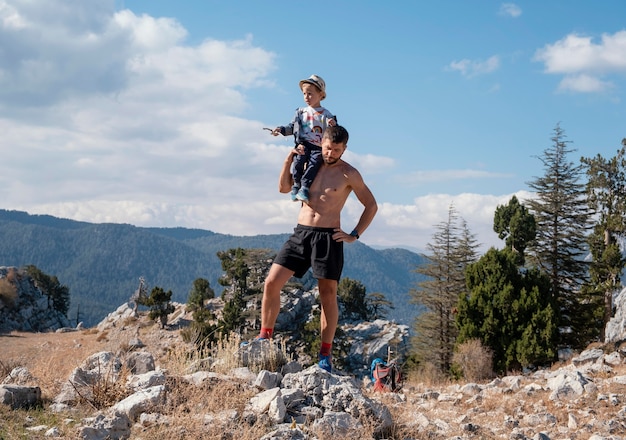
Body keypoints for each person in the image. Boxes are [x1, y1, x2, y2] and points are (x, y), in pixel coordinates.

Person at [257, 125, 377, 372]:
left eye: (336, 149)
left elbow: (371, 205)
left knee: (327, 296)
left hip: (328, 238)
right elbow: (283, 188)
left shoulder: (348, 174)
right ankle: (264, 337)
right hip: (301, 233)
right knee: (271, 283)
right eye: (327, 147)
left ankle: (325, 355)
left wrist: (354, 234)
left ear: (344, 149)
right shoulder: (308, 162)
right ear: (320, 143)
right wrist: (288, 160)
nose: (330, 153)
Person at [270, 74, 336, 203]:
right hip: (303, 143)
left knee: (314, 163)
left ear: (321, 94)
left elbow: (333, 131)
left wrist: (333, 125)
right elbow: (292, 127)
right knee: (299, 161)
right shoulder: (301, 112)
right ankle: (296, 186)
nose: (306, 97)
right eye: (304, 94)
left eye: (310, 94)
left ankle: (305, 188)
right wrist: (281, 129)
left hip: (318, 146)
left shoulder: (326, 114)